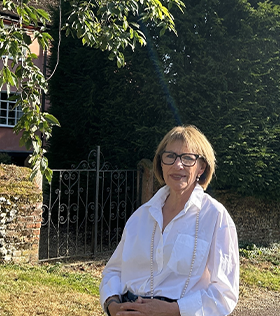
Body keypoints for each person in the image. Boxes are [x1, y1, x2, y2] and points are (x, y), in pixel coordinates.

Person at [100, 126, 240, 316]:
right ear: (161, 163)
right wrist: (113, 305)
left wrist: (171, 310)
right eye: (170, 156)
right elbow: (114, 271)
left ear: (201, 167)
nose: (177, 165)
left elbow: (224, 293)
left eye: (188, 158)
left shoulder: (215, 217)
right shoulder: (141, 216)